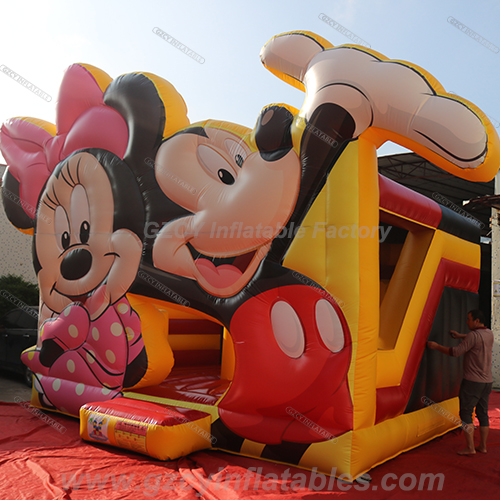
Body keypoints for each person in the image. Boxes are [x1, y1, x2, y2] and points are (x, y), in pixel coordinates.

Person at [427, 309, 494, 455]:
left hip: (472, 382)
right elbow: (475, 338)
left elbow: (455, 352)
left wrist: (437, 346)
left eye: (469, 319)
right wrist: (461, 336)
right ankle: (482, 446)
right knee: (483, 414)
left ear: (477, 321)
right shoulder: (489, 333)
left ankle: (470, 448)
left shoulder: (473, 336)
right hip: (487, 382)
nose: (467, 322)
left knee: (466, 413)